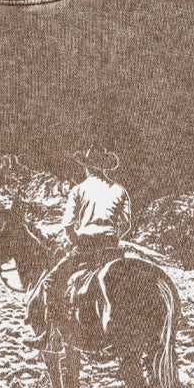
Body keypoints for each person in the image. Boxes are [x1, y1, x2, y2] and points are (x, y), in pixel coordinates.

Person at [31, 148, 132, 352]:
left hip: (86, 247)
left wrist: (76, 240)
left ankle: (52, 337)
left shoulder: (79, 190)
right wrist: (112, 236)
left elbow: (68, 225)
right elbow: (126, 224)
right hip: (111, 249)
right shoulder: (120, 190)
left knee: (51, 282)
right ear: (105, 167)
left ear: (86, 167)